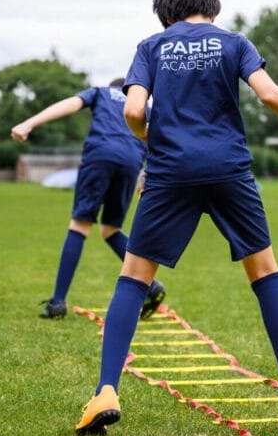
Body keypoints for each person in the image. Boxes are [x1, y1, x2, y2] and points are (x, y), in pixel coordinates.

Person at [75, 0, 278, 435]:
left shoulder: (150, 48)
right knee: (265, 271)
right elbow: (271, 94)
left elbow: (134, 109)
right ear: (212, 6)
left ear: (165, 11)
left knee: (134, 277)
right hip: (228, 168)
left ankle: (106, 391)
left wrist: (148, 136)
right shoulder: (234, 42)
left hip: (170, 170)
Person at [11, 78, 166, 320]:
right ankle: (152, 285)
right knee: (110, 229)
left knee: (80, 224)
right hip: (131, 161)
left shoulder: (101, 93)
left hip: (101, 155)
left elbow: (70, 104)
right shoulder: (144, 107)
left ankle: (58, 302)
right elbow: (160, 141)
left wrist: (29, 123)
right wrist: (148, 174)